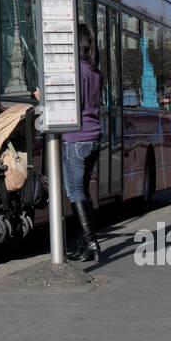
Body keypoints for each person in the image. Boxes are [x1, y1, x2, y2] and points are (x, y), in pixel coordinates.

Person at [63, 24, 103, 262]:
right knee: (84, 190)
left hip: (75, 139)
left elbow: (72, 107)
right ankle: (83, 243)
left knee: (74, 190)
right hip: (94, 137)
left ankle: (90, 241)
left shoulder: (76, 71)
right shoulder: (96, 72)